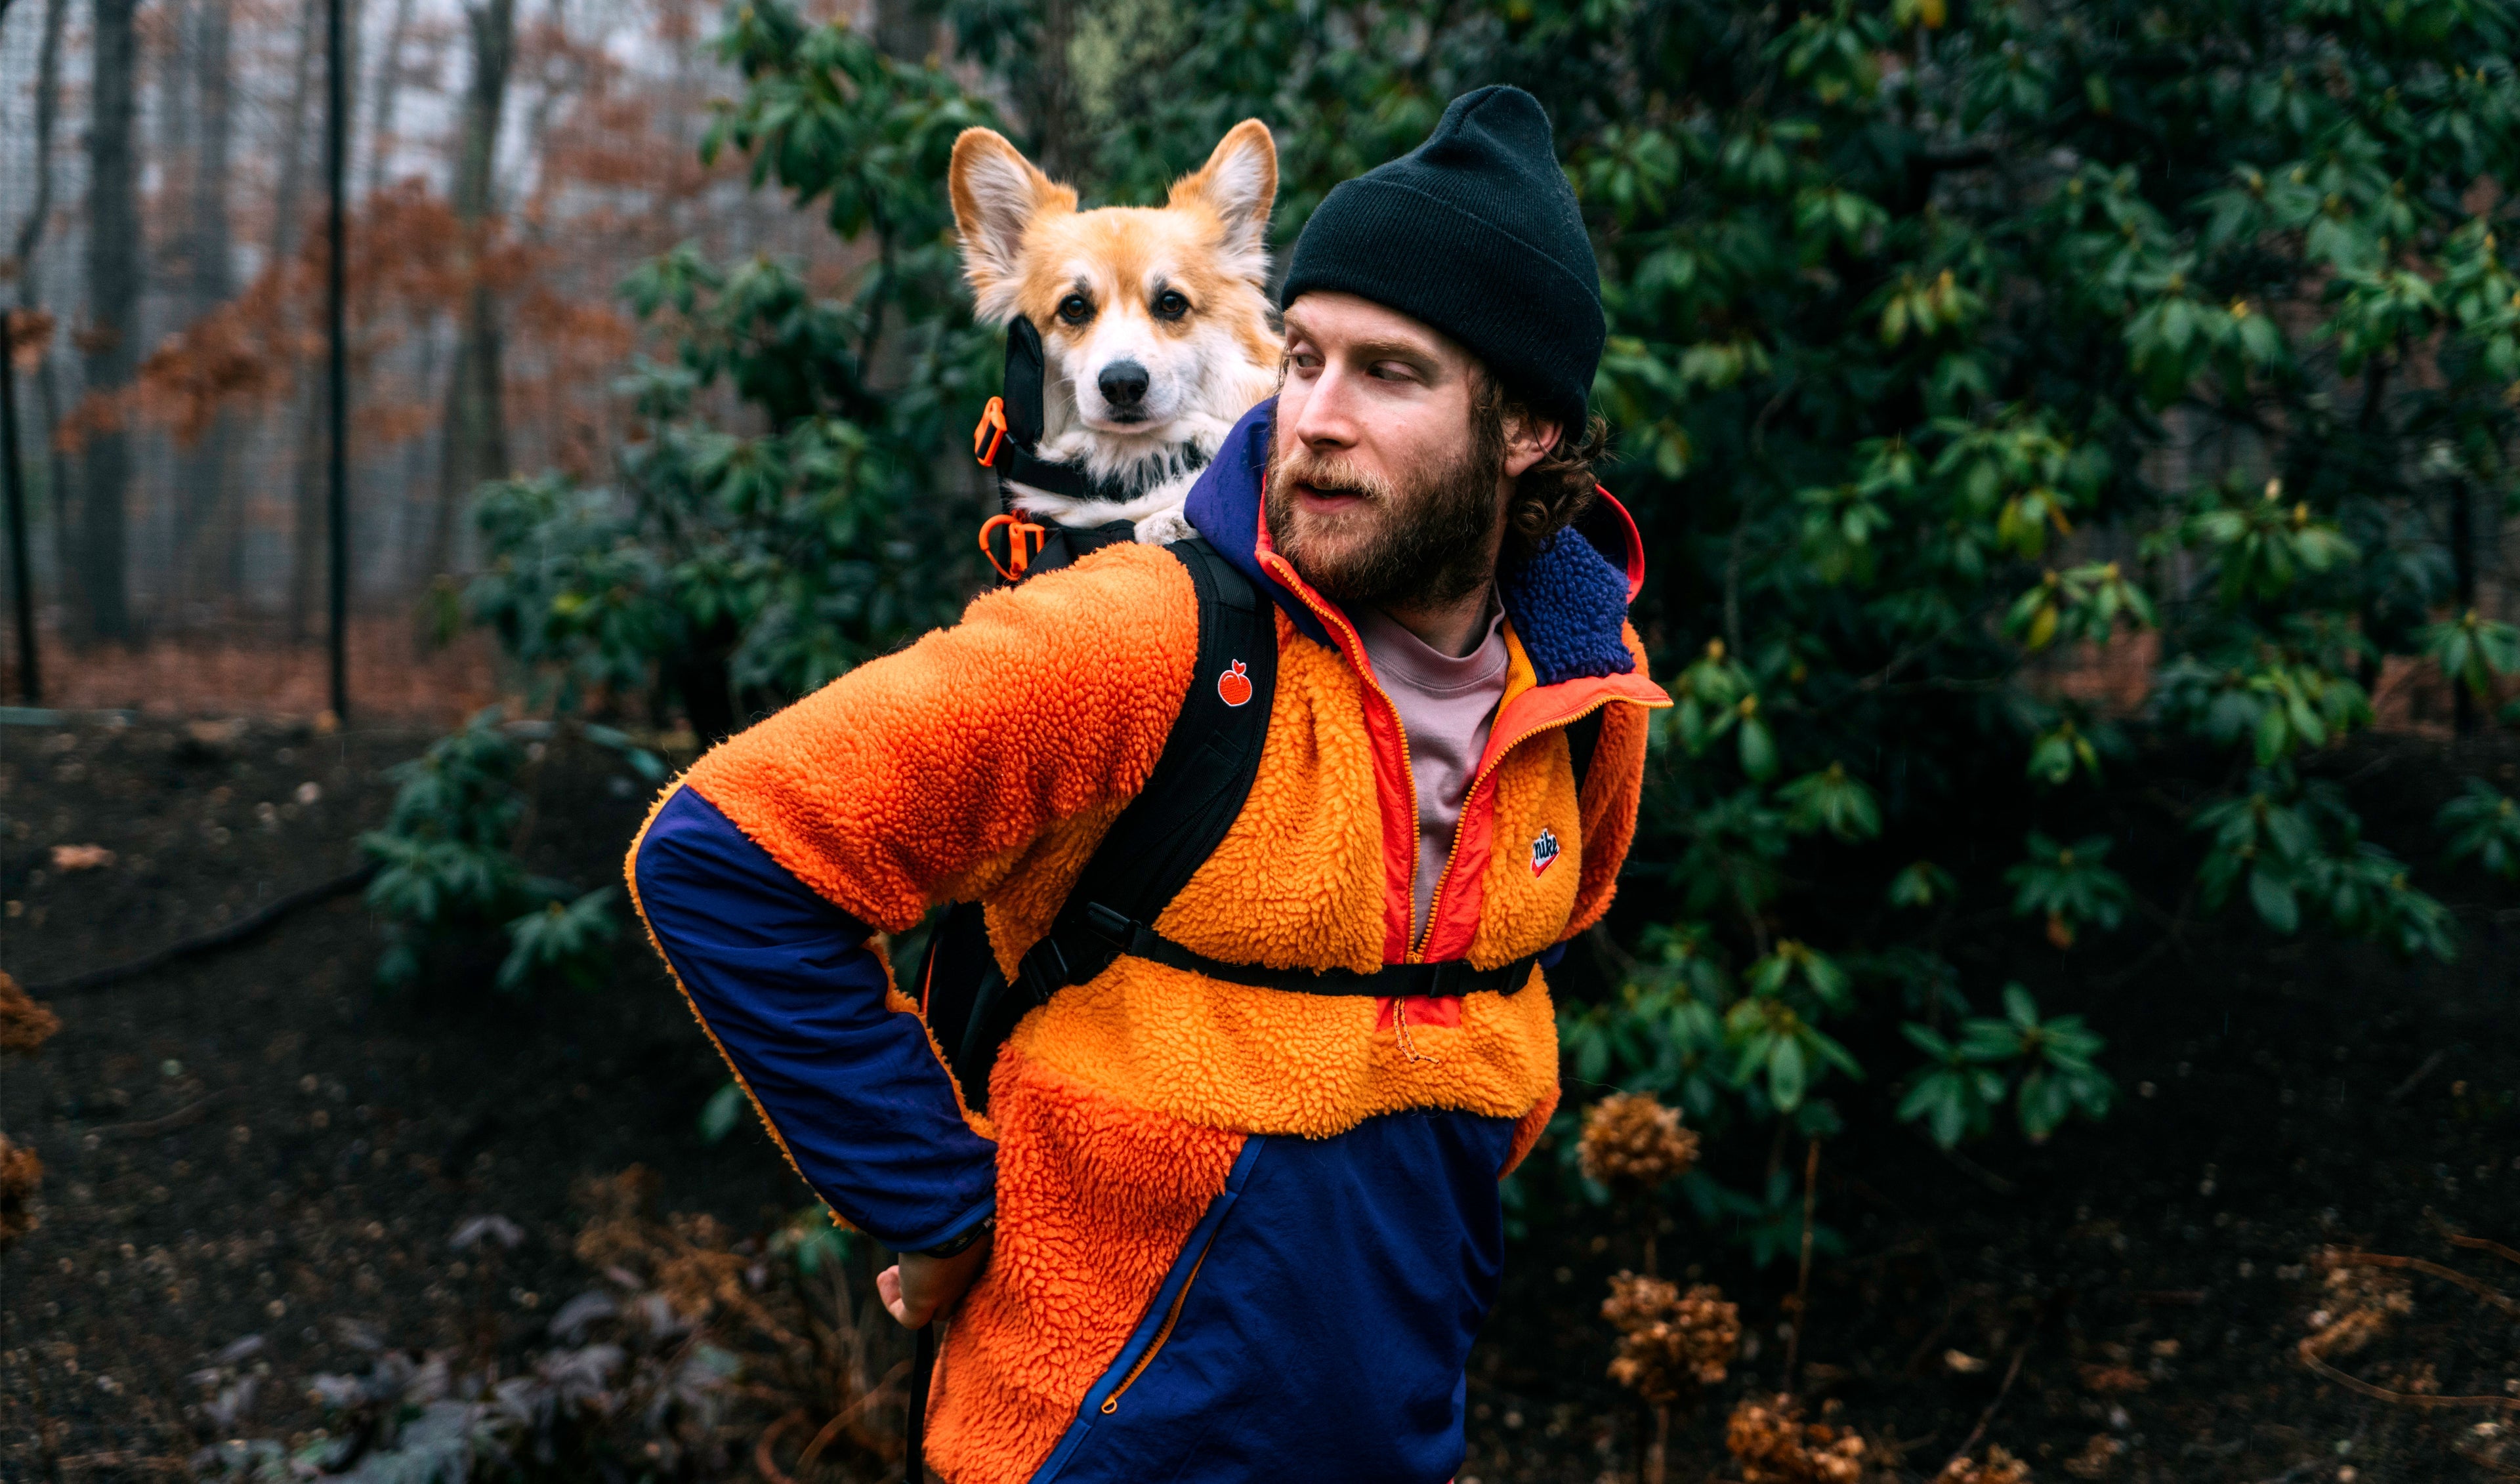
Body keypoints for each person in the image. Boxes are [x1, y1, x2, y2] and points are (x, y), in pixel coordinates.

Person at [629, 85, 1669, 1483]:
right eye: (1303, 357)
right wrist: (932, 1208)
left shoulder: (1588, 688)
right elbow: (720, 859)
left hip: (1388, 1430)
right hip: (1094, 1441)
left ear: (1530, 426)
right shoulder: (1138, 633)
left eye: (1392, 372)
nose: (1316, 415)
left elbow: (1495, 1022)